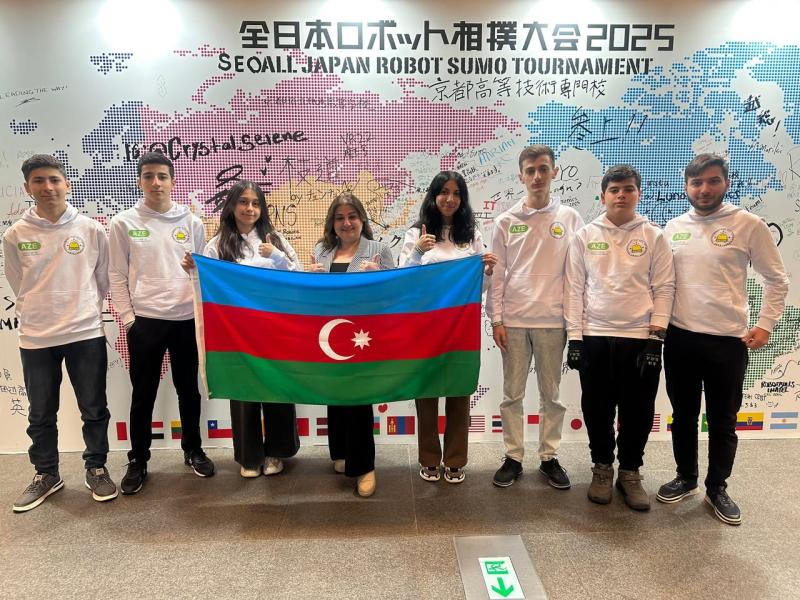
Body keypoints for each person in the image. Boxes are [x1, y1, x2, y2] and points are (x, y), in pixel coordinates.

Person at [658, 154, 789, 525]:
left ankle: (717, 487)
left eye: (712, 181)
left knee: (722, 420)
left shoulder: (748, 225)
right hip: (680, 338)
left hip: (728, 342)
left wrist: (766, 324)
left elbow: (777, 279)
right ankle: (686, 477)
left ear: (726, 183)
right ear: (687, 186)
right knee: (683, 415)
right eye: (696, 182)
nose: (704, 189)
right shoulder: (673, 227)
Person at [4, 154, 117, 512]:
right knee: (40, 412)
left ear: (66, 184)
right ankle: (46, 473)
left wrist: (81, 308)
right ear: (28, 188)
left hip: (85, 332)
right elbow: (18, 283)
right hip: (37, 337)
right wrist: (42, 309)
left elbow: (102, 279)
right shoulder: (15, 234)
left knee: (94, 408)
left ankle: (96, 467)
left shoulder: (91, 230)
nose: (48, 187)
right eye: (39, 181)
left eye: (54, 179)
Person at [564, 164, 675, 511]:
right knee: (596, 409)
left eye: (628, 189)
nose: (621, 195)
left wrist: (656, 338)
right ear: (603, 196)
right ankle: (601, 468)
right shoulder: (584, 235)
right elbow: (573, 289)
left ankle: (629, 471)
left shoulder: (654, 236)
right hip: (595, 336)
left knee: (638, 411)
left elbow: (665, 288)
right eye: (614, 190)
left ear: (638, 194)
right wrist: (575, 338)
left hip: (640, 339)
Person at [109, 152, 213, 494]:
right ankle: (138, 459)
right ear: (140, 181)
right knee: (143, 395)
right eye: (149, 176)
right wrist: (129, 320)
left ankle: (193, 450)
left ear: (172, 181)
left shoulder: (192, 222)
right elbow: (116, 274)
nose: (156, 183)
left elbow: (201, 272)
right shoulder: (124, 222)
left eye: (162, 176)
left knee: (189, 391)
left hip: (185, 319)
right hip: (146, 323)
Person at [182, 180, 301, 478]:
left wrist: (277, 256)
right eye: (244, 202)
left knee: (276, 388)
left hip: (274, 329)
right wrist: (194, 271)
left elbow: (298, 278)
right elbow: (207, 285)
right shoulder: (217, 244)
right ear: (232, 206)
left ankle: (276, 452)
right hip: (236, 332)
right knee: (243, 390)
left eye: (256, 203)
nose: (250, 208)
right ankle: (249, 456)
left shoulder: (275, 239)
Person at [487, 145, 585, 489]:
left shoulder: (570, 219)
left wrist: (574, 325)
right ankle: (513, 456)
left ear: (554, 172)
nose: (537, 176)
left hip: (553, 322)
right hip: (513, 322)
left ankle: (549, 457)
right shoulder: (505, 221)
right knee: (512, 395)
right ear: (521, 176)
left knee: (551, 396)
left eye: (543, 169)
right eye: (530, 170)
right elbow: (497, 276)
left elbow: (577, 275)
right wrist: (496, 320)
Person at [398, 171, 497, 484]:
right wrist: (418, 251)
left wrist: (487, 272)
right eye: (443, 192)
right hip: (425, 326)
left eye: (456, 193)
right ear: (433, 195)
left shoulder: (471, 234)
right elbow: (402, 279)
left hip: (460, 327)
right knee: (426, 394)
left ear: (462, 199)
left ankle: (455, 459)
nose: (450, 199)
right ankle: (429, 458)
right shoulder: (417, 233)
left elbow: (477, 288)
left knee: (459, 390)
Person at [309, 192, 394, 497]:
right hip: (330, 337)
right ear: (332, 223)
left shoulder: (379, 250)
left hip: (362, 339)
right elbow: (312, 298)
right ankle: (341, 452)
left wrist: (380, 277)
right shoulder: (321, 250)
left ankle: (364, 467)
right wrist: (309, 278)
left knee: (358, 401)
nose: (346, 223)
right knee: (335, 396)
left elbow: (395, 294)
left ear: (362, 219)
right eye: (340, 218)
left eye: (352, 216)